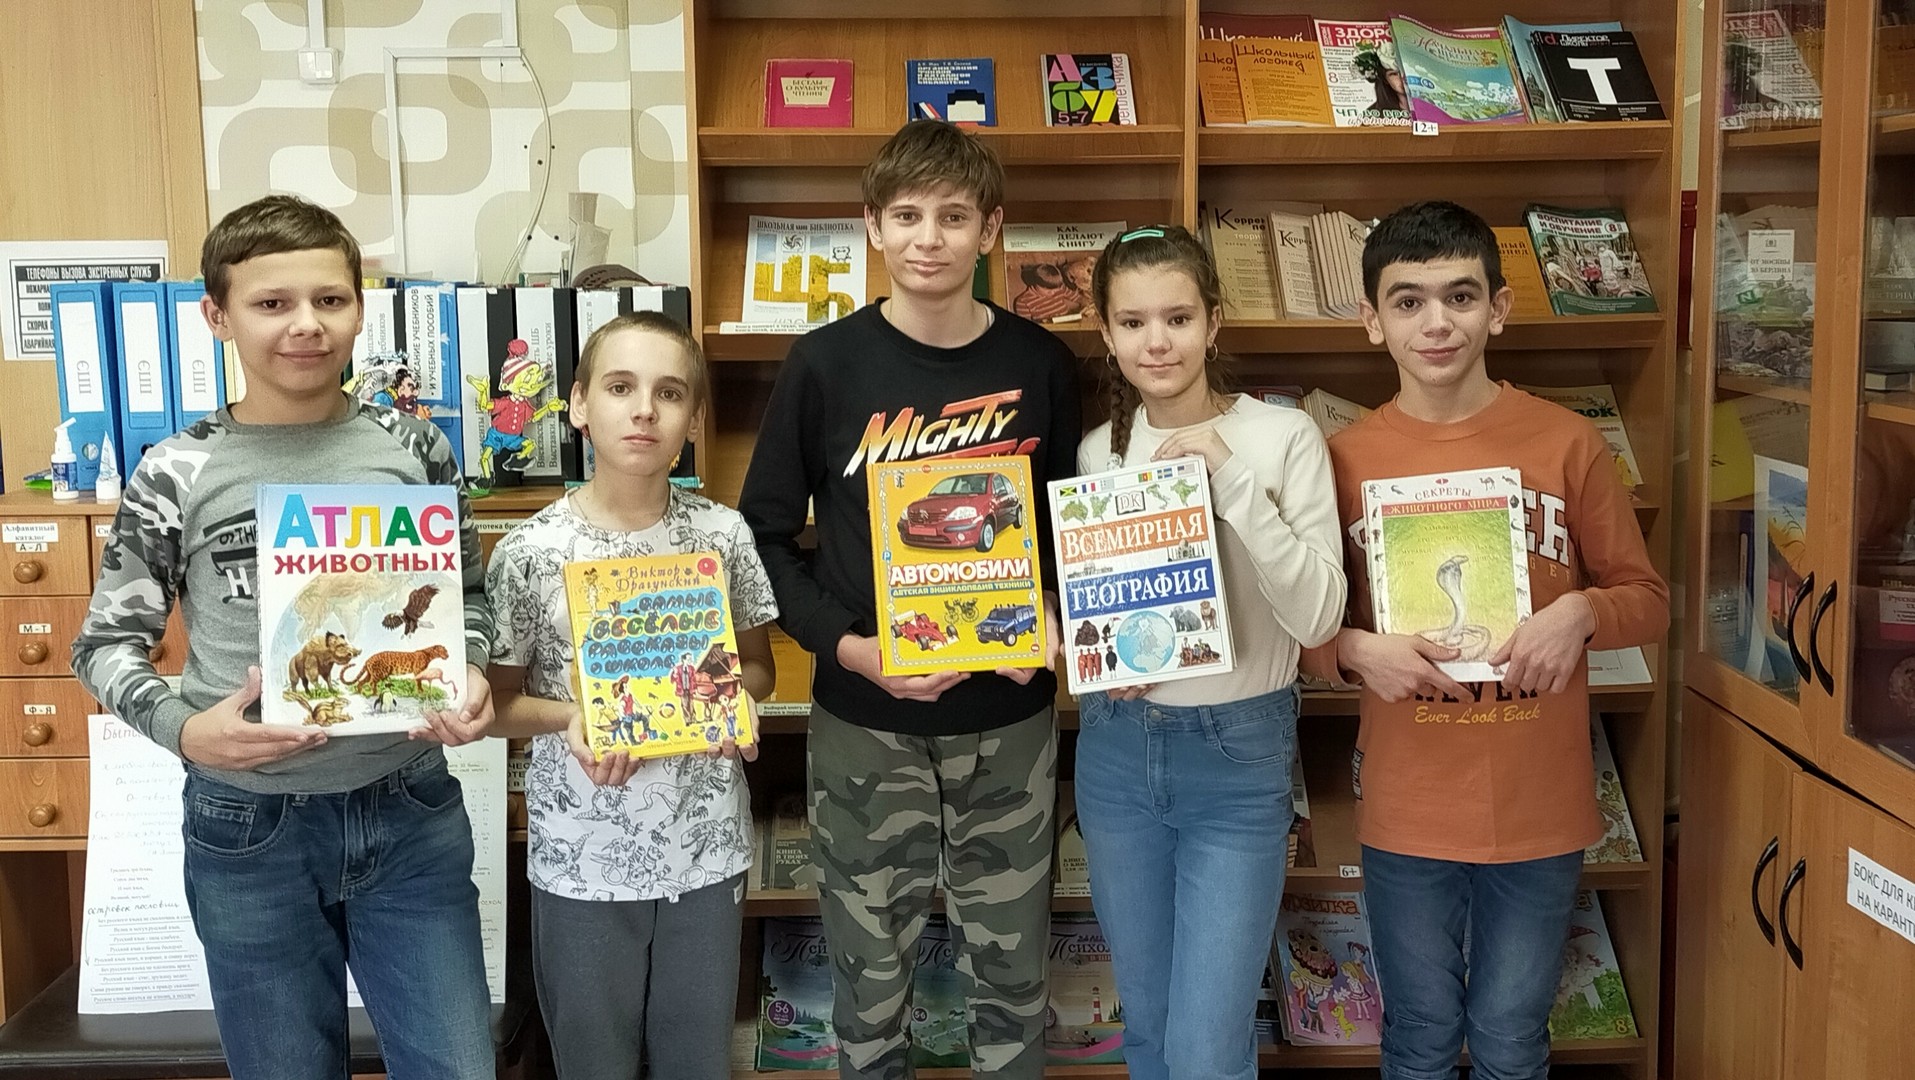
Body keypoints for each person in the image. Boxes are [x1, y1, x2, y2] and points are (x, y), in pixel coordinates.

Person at [70, 194, 498, 1080]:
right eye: (272, 303)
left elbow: (467, 596)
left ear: (359, 310)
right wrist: (185, 730)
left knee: (458, 1067)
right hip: (247, 826)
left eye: (329, 299)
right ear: (217, 316)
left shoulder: (415, 448)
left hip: (408, 807)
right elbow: (104, 644)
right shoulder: (176, 469)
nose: (306, 324)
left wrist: (472, 666)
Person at [739, 118, 1081, 1078]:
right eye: (906, 215)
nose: (928, 237)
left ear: (990, 230)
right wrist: (847, 648)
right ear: (872, 227)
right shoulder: (823, 364)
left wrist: (1053, 616)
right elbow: (763, 536)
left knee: (1012, 974)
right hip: (865, 718)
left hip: (1007, 718)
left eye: (954, 216)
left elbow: (1066, 527)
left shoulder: (1042, 365)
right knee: (867, 975)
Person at [1300, 200, 1669, 1080]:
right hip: (1408, 799)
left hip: (1538, 799)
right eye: (1408, 301)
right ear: (1371, 320)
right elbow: (1305, 629)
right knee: (1419, 1035)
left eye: (1459, 297)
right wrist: (1352, 651)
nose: (1436, 322)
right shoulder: (1341, 458)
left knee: (1510, 1037)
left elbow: (1646, 599)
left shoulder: (1566, 442)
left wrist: (1581, 613)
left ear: (1497, 309)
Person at [1073, 225, 1346, 1080]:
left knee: (1207, 1050)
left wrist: (1231, 483)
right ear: (1106, 333)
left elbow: (1319, 616)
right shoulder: (1098, 450)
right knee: (1148, 1030)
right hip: (1117, 750)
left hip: (1238, 753)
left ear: (1214, 322)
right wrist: (1105, 654)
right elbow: (1107, 608)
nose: (1156, 342)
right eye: (1132, 323)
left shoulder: (1281, 436)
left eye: (1178, 318)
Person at [484, 312, 777, 1079]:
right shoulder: (530, 551)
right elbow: (497, 707)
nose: (644, 409)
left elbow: (757, 668)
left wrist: (734, 700)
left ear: (694, 417)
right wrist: (572, 718)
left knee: (694, 1061)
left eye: (669, 392)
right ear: (579, 404)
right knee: (594, 1061)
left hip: (704, 848)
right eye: (620, 387)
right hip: (581, 854)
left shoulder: (722, 535)